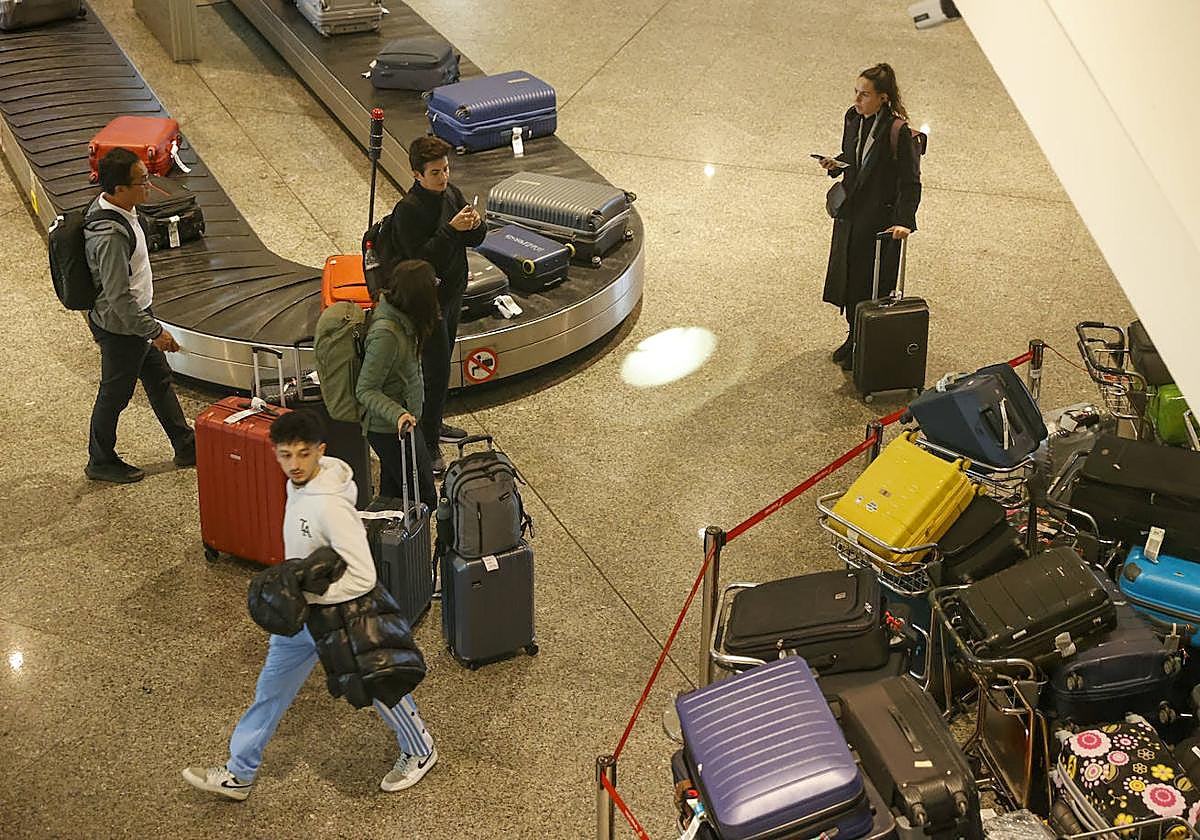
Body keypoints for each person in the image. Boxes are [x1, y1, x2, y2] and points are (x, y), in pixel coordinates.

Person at [182, 410, 437, 800]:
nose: (294, 465)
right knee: (271, 689)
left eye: (303, 454)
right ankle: (239, 772)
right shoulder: (298, 485)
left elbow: (364, 575)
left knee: (379, 681)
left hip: (339, 614)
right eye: (285, 455)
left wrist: (314, 595)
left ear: (320, 450)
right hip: (303, 616)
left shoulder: (330, 507)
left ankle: (421, 750)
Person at [84, 148, 195, 482]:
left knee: (159, 381)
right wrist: (152, 330)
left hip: (136, 320)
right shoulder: (110, 237)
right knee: (114, 394)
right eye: (141, 180)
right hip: (122, 328)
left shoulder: (118, 210)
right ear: (118, 189)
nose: (148, 185)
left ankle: (186, 445)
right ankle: (100, 460)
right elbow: (118, 298)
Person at [382, 135, 485, 472]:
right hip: (427, 303)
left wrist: (475, 226)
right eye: (436, 172)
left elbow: (470, 240)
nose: (444, 177)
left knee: (442, 368)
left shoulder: (450, 193)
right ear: (417, 175)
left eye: (446, 169)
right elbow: (418, 263)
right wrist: (452, 231)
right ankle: (427, 443)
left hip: (452, 294)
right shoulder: (408, 211)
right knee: (432, 371)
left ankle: (435, 423)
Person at [820, 63, 922, 370]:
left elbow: (910, 181)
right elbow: (851, 157)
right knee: (849, 280)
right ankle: (853, 336)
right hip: (851, 215)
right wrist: (836, 165)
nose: (857, 100)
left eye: (865, 95)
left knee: (871, 284)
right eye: (856, 92)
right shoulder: (852, 118)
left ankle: (866, 342)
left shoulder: (897, 131)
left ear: (883, 98)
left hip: (879, 221)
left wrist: (905, 221)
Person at [356, 259, 440, 510]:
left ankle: (389, 544)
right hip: (389, 430)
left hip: (403, 424)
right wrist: (399, 414)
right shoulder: (386, 335)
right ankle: (411, 545)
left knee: (393, 495)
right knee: (424, 498)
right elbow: (365, 389)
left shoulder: (404, 321)